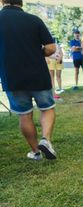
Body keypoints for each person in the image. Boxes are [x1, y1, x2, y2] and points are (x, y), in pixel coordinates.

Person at [0, 0, 58, 160]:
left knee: (24, 115)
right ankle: (45, 140)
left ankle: (35, 152)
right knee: (47, 108)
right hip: (37, 73)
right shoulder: (34, 19)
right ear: (21, 2)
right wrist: (39, 51)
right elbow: (51, 48)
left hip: (11, 77)